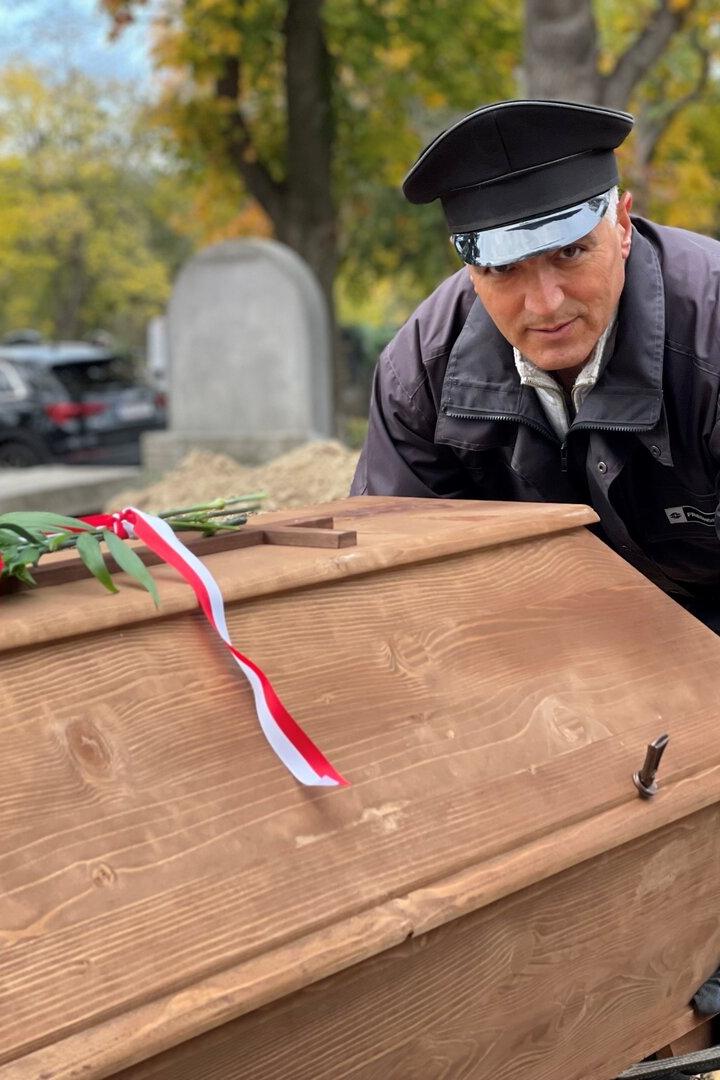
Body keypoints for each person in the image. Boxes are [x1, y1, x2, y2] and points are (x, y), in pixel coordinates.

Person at [350, 99, 720, 631]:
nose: (545, 303)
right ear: (470, 270)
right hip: (542, 636)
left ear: (621, 225)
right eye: (503, 268)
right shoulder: (420, 374)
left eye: (569, 253)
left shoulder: (708, 335)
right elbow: (401, 588)